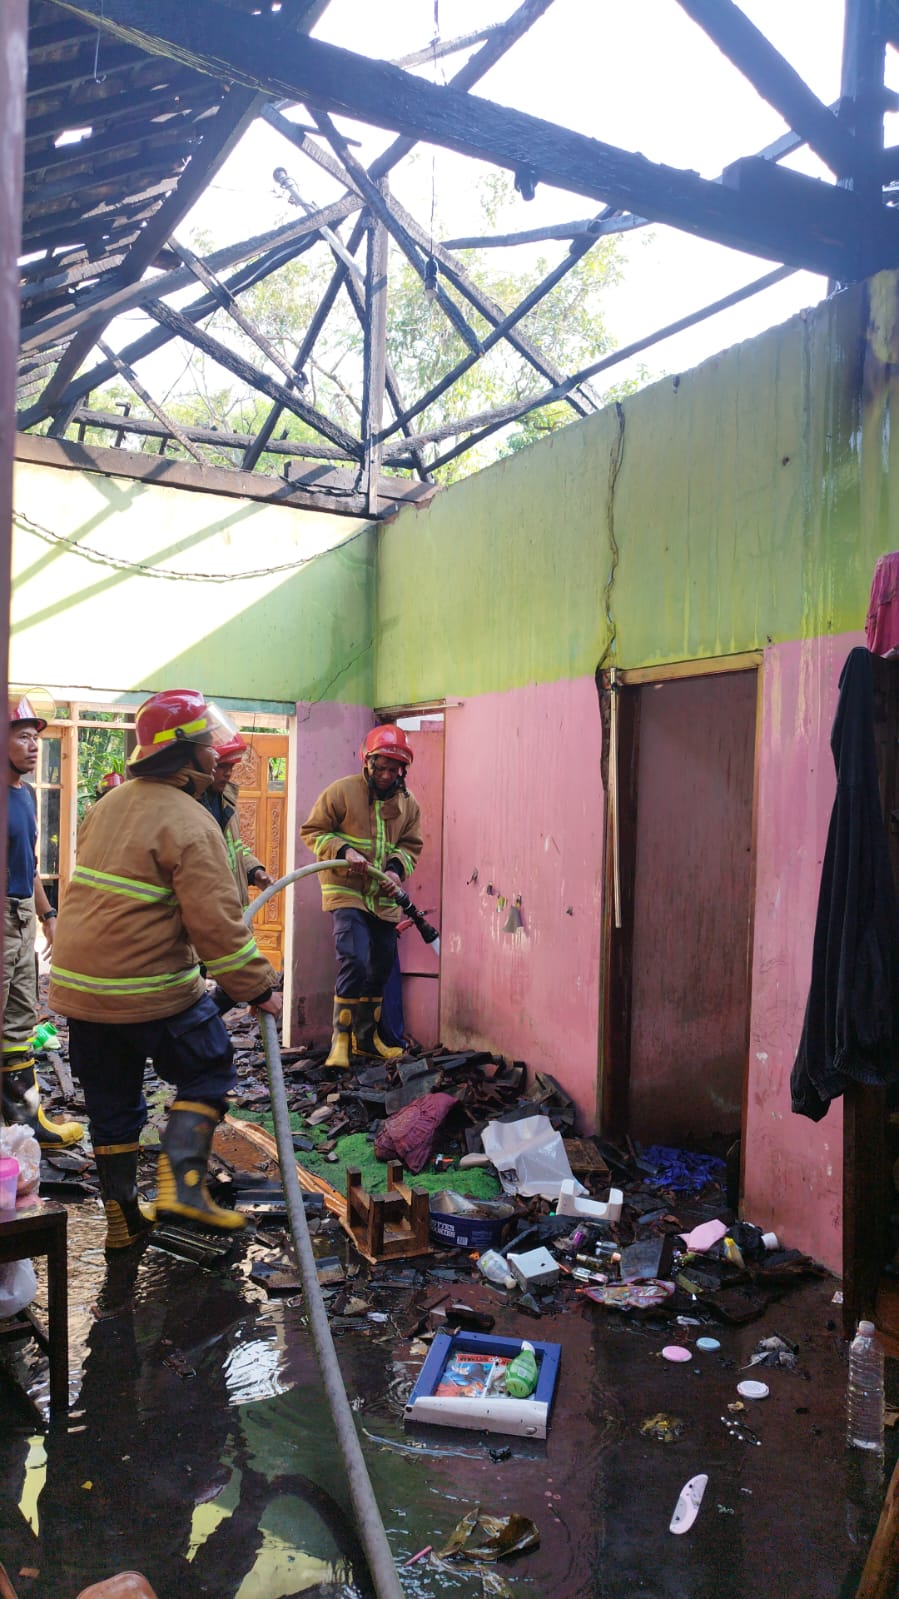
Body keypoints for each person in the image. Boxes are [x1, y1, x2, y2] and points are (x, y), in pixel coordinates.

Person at [48, 688, 282, 1249]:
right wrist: (257, 987)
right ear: (189, 754)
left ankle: (123, 1219)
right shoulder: (191, 821)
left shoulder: (110, 803)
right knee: (208, 1068)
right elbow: (218, 931)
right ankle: (183, 1190)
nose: (215, 750)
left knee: (113, 1102)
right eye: (208, 742)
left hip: (78, 991)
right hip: (145, 987)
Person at [300, 724, 421, 1068]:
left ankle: (367, 1039)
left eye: (392, 769)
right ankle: (340, 1041)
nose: (384, 775)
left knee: (380, 963)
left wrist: (396, 871)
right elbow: (313, 831)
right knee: (353, 957)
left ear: (402, 770)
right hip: (346, 890)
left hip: (383, 897)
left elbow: (411, 846)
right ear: (366, 762)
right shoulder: (341, 792)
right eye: (379, 767)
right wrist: (344, 850)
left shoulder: (408, 805)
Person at [2, 694, 84, 1147]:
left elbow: (29, 865)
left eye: (36, 738)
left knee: (19, 1019)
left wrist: (48, 916)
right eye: (23, 736)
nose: (34, 746)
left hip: (20, 915)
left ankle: (24, 1122)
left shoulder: (27, 795)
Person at [199, 730, 273, 905]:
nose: (228, 773)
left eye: (231, 767)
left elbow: (233, 848)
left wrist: (254, 871)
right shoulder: (188, 804)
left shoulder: (226, 801)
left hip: (233, 914)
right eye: (222, 766)